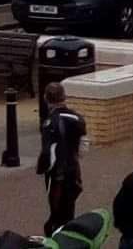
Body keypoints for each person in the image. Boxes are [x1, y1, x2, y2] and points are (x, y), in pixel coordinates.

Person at [37, 82, 87, 237]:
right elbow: (84, 146)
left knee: (56, 216)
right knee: (69, 210)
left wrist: (42, 168)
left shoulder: (49, 123)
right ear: (64, 97)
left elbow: (49, 154)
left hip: (57, 177)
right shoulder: (77, 118)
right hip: (74, 171)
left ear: (46, 99)